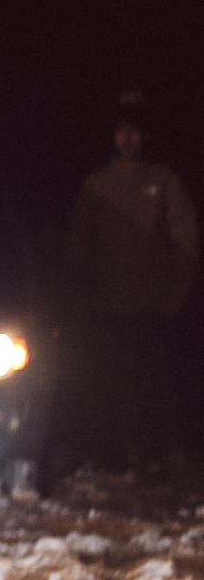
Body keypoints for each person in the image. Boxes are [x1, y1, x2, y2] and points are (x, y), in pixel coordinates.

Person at [64, 93, 198, 468]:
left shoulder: (165, 183)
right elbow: (78, 247)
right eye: (122, 131)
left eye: (136, 132)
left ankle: (154, 459)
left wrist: (174, 297)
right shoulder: (96, 186)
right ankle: (108, 459)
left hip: (151, 308)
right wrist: (77, 294)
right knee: (104, 385)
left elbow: (187, 244)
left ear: (147, 136)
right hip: (104, 307)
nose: (129, 139)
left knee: (150, 388)